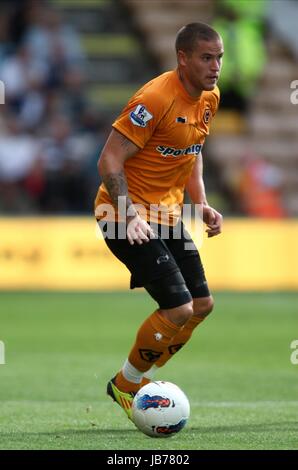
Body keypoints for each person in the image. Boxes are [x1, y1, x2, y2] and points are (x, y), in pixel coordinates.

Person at [94, 22, 224, 419]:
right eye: (206, 58)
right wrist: (129, 216)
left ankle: (145, 378)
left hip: (166, 214)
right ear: (182, 59)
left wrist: (200, 202)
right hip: (121, 215)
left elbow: (194, 149)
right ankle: (127, 384)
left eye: (219, 57)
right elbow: (109, 161)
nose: (215, 66)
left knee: (202, 305)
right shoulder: (154, 98)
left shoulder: (209, 97)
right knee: (179, 308)